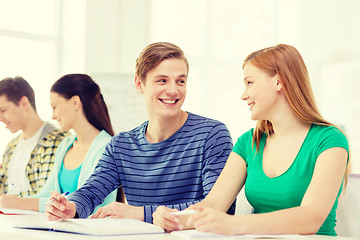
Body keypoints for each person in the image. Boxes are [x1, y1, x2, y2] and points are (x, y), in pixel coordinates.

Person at [161, 44, 349, 236]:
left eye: (249, 83)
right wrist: (176, 218)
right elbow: (213, 204)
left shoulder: (329, 140)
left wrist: (234, 225)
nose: (244, 95)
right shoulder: (248, 143)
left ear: (279, 81)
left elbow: (311, 219)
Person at [45, 42, 235, 224]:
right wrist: (71, 206)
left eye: (181, 81)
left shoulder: (213, 135)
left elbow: (219, 209)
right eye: (162, 81)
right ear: (139, 84)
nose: (173, 90)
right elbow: (92, 191)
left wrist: (140, 213)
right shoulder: (121, 145)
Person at [0, 74, 118, 212]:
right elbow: (47, 193)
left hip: (89, 231)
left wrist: (20, 204)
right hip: (61, 230)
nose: (53, 116)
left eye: (55, 107)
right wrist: (13, 201)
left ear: (75, 102)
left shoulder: (107, 147)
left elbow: (91, 202)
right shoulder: (66, 145)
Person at [0, 76, 68, 196]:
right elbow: (4, 190)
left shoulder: (57, 141)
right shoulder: (11, 146)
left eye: (3, 110)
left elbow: (45, 195)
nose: (1, 118)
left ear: (24, 103)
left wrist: (8, 200)